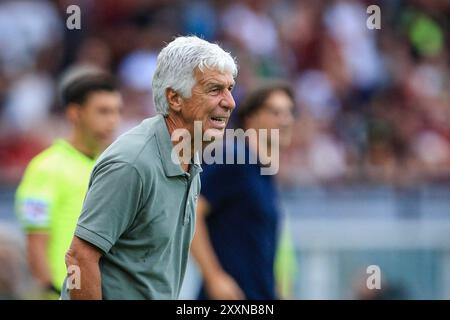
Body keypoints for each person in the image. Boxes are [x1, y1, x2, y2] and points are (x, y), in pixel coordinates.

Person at [61, 36, 238, 300]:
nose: (230, 102)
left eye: (230, 89)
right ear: (175, 98)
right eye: (214, 89)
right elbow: (79, 258)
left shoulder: (190, 158)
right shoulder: (132, 163)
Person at [15, 68, 122, 297]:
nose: (112, 121)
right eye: (103, 111)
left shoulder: (107, 166)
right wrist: (52, 290)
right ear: (75, 113)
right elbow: (36, 244)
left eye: (116, 112)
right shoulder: (46, 168)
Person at [191, 82, 296, 300]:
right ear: (251, 119)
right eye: (275, 112)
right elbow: (191, 213)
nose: (286, 121)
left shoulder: (262, 173)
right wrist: (214, 277)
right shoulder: (234, 160)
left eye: (290, 112)